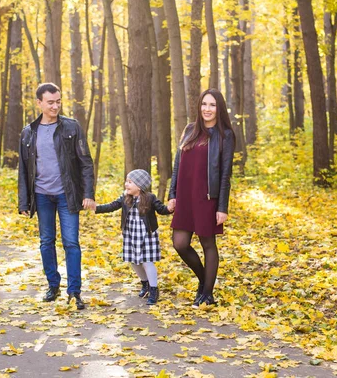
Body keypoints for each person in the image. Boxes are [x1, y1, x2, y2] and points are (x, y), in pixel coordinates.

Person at [18, 82, 95, 310]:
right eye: (50, 102)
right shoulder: (28, 132)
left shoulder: (71, 127)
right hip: (41, 196)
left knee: (71, 243)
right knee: (46, 242)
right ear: (39, 103)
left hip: (66, 195)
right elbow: (23, 169)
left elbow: (86, 163)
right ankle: (53, 285)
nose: (55, 106)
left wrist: (88, 193)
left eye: (58, 101)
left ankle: (74, 293)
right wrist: (24, 201)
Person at [168, 88, 235, 308]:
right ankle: (204, 281)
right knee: (180, 243)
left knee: (208, 243)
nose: (207, 109)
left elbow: (225, 174)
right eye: (204, 104)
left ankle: (207, 294)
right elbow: (177, 166)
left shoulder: (225, 135)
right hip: (186, 196)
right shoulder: (189, 130)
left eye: (212, 105)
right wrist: (172, 195)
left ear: (219, 108)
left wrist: (222, 207)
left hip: (207, 197)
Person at [94, 169, 173, 305]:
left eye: (130, 182)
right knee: (134, 262)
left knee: (147, 261)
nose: (126, 184)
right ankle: (145, 284)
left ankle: (154, 289)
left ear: (139, 185)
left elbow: (162, 210)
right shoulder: (125, 198)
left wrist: (170, 208)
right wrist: (96, 208)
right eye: (126, 181)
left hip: (147, 235)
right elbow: (112, 206)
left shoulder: (150, 198)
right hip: (131, 235)